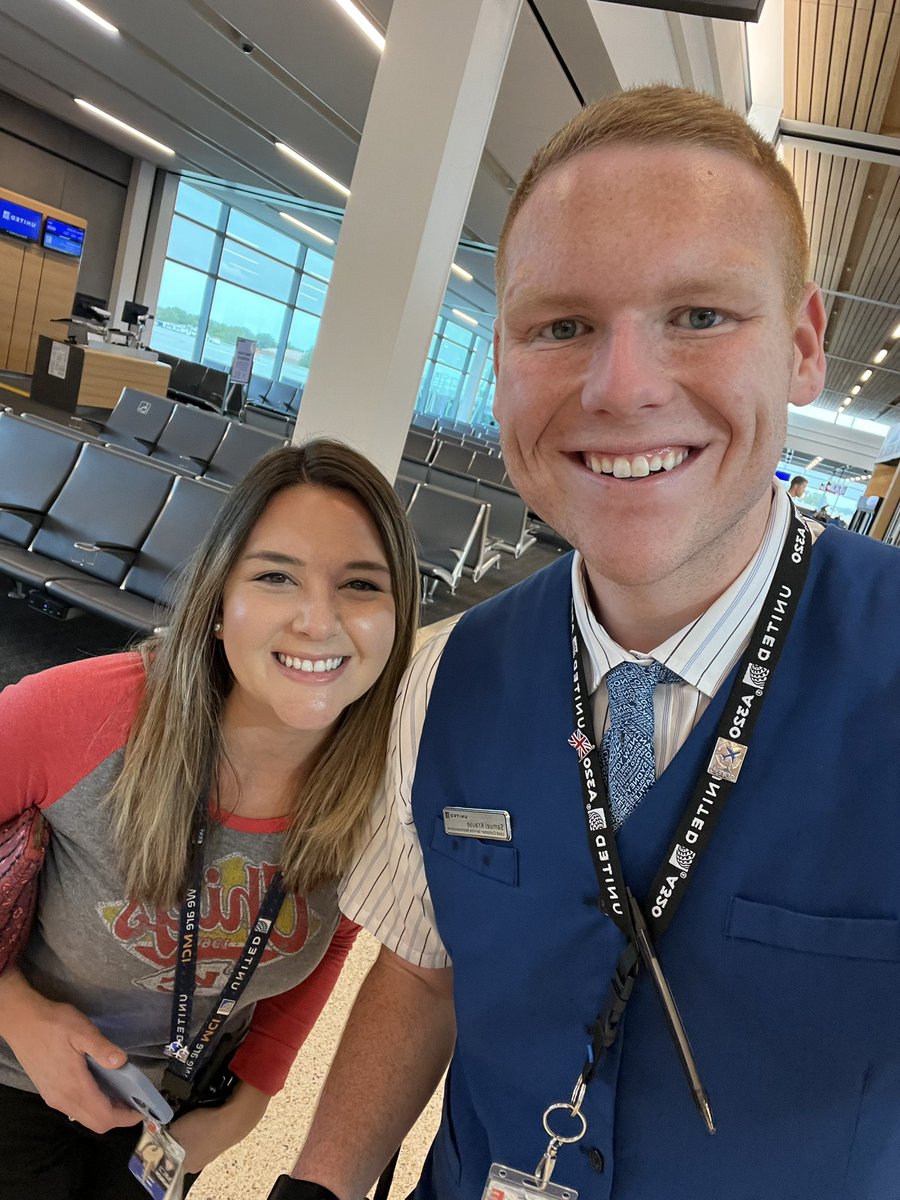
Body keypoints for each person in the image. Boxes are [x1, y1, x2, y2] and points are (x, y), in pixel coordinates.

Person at [266, 87, 900, 1200]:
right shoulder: (443, 673)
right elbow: (425, 972)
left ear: (803, 348)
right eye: (560, 327)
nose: (625, 387)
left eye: (700, 315)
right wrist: (315, 1186)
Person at [0, 439, 419, 1200]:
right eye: (275, 577)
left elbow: (332, 936)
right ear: (220, 603)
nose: (318, 621)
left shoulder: (382, 784)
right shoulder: (77, 715)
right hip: (12, 1077)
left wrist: (247, 1108)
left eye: (361, 585)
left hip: (176, 1109)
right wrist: (20, 1016)